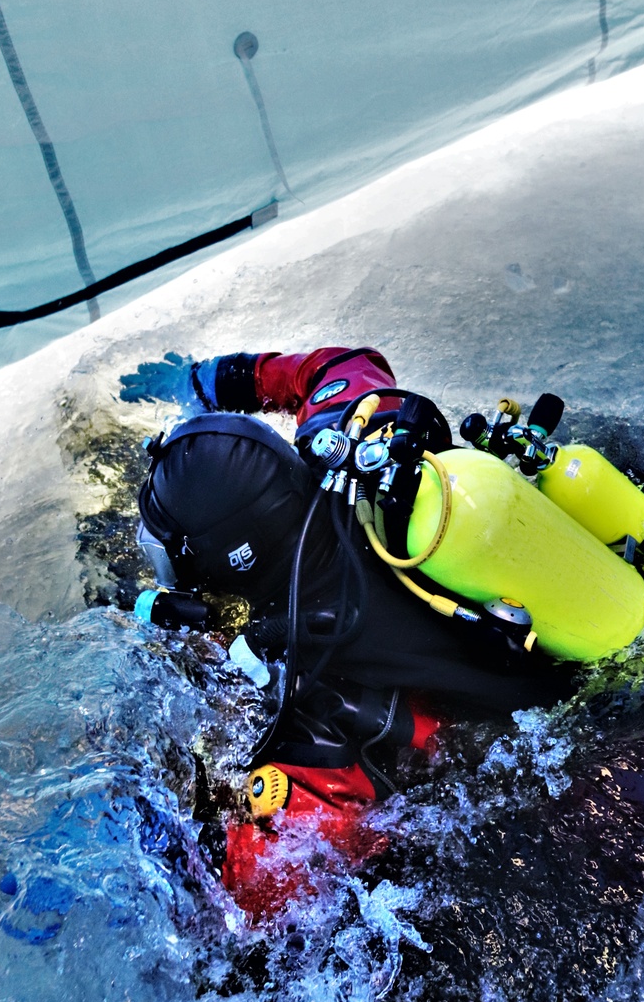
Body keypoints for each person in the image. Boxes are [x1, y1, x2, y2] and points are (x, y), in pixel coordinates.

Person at [123, 346, 576, 830]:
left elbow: (284, 870)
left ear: (228, 564)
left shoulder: (307, 680)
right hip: (565, 610)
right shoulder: (349, 451)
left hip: (555, 748)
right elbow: (333, 366)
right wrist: (209, 380)